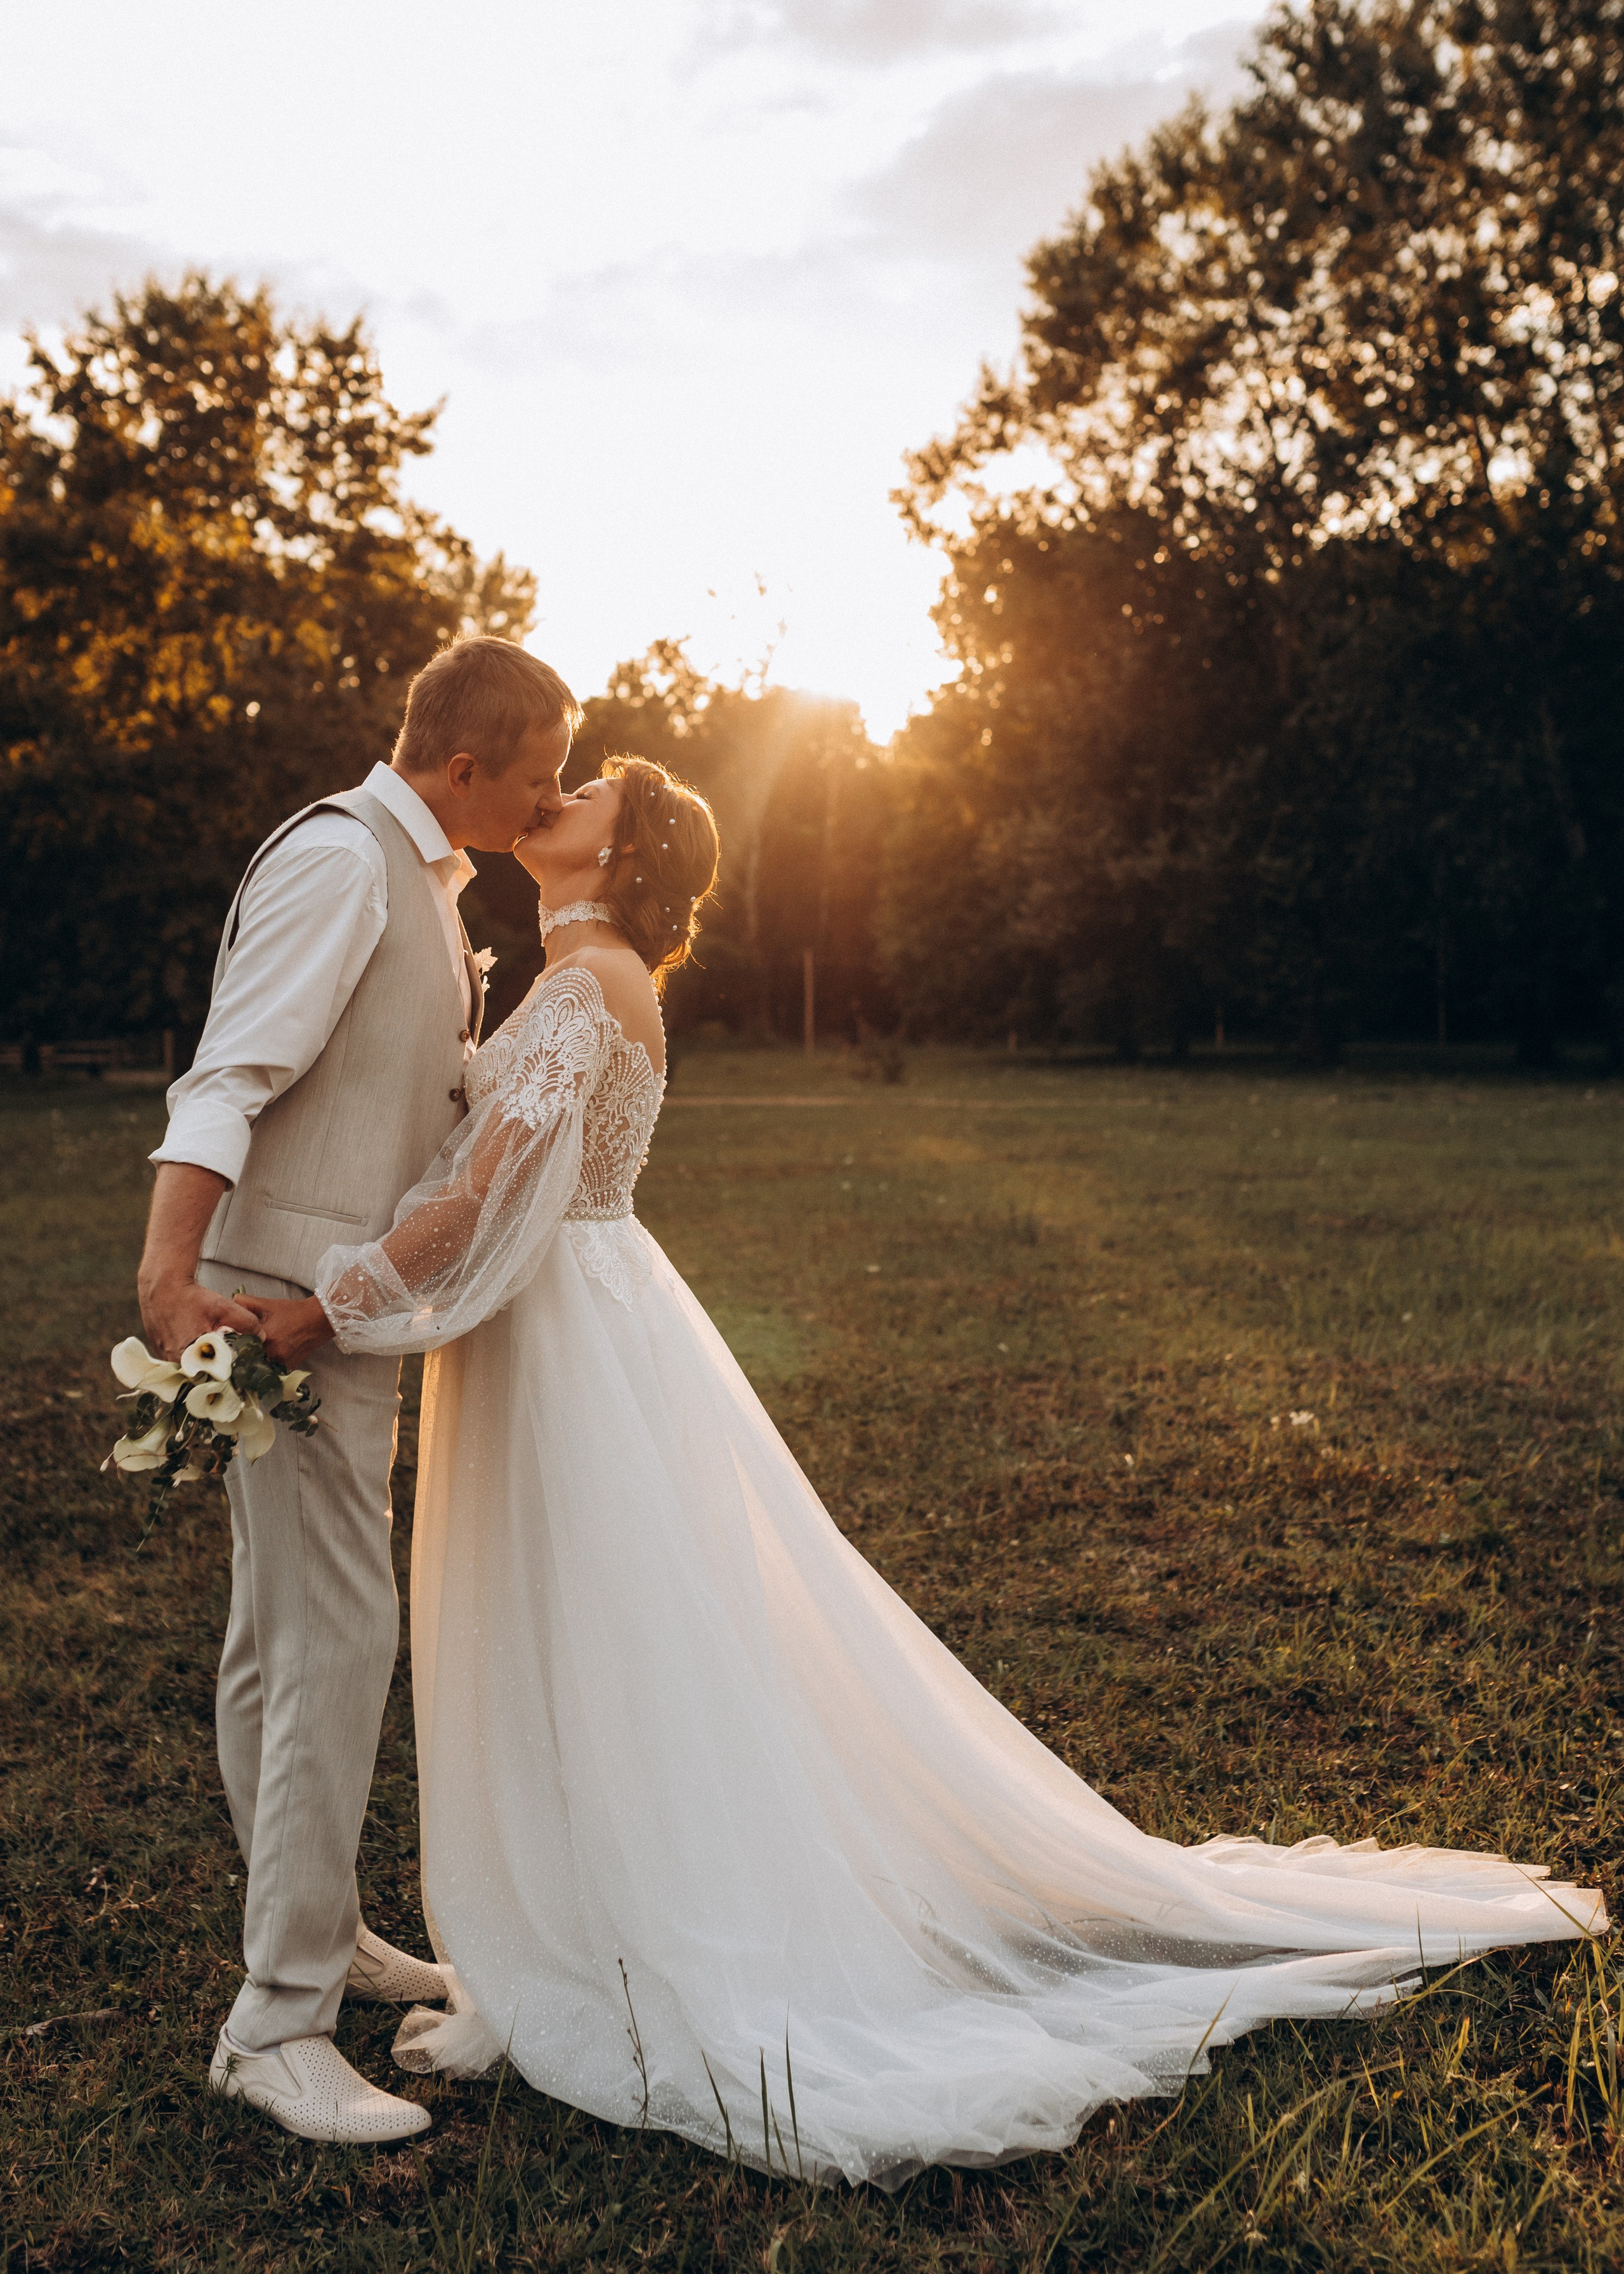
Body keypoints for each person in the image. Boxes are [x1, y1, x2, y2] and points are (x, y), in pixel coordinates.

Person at [249, 759, 1605, 2186]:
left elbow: (476, 1194)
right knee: (593, 1629)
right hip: (577, 1318)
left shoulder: (590, 983)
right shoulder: (583, 972)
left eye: (591, 785)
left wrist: (324, 1302)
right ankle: (591, 1911)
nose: (559, 788)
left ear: (625, 843)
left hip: (571, 1339)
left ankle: (641, 1927)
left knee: (604, 1630)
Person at [137, 636, 580, 2143]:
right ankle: (278, 2026)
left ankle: (316, 1936)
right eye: (538, 775)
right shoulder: (342, 862)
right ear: (464, 767)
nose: (553, 797)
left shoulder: (427, 878)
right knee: (336, 1637)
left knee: (281, 1638)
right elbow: (230, 1072)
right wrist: (167, 1274)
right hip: (287, 1313)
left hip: (332, 1312)